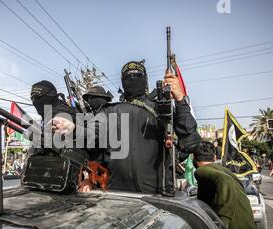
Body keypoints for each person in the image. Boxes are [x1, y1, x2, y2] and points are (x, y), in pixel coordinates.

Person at [53, 60, 201, 195]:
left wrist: (180, 99)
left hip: (158, 197)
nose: (132, 80)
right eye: (128, 77)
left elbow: (191, 143)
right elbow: (91, 135)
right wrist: (73, 129)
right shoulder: (110, 111)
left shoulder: (162, 109)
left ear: (145, 80)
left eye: (137, 75)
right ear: (123, 82)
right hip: (117, 197)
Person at [193, 141, 256, 229]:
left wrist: (221, 227)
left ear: (193, 158)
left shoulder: (201, 171)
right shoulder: (224, 170)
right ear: (215, 157)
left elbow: (224, 181)